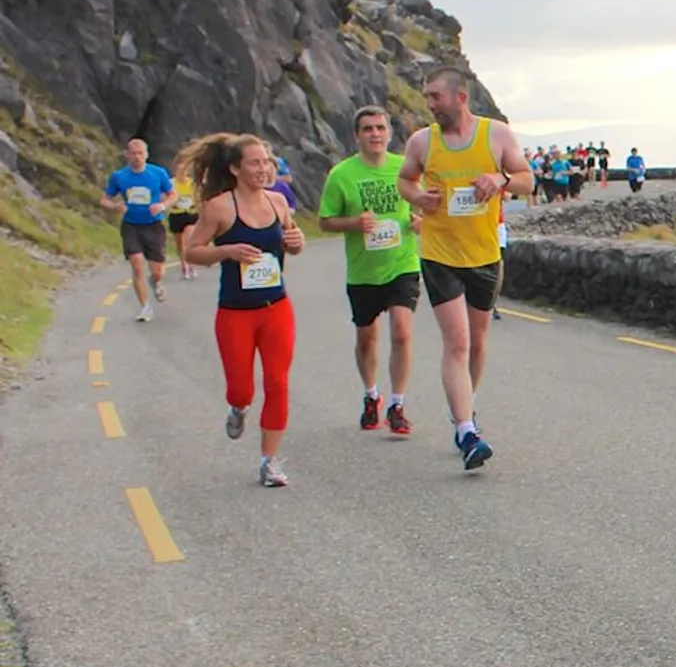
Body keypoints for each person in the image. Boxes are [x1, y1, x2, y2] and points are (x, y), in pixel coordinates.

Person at [397, 66, 533, 470]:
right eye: (427, 97)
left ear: (460, 97)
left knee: (476, 342)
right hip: (440, 253)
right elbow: (406, 181)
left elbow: (527, 180)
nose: (430, 104)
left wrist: (500, 178)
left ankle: (466, 410)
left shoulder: (497, 135)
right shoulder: (423, 141)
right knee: (456, 343)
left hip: (484, 253)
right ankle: (465, 431)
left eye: (435, 96)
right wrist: (419, 198)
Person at [177, 133, 305, 487]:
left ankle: (269, 462)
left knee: (278, 383)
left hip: (276, 307)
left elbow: (293, 242)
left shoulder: (279, 202)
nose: (264, 169)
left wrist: (296, 242)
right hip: (235, 312)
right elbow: (192, 251)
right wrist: (226, 252)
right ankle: (238, 407)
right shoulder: (219, 207)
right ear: (235, 168)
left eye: (268, 162)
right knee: (241, 388)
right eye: (255, 163)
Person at [318, 106, 420, 435]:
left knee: (402, 332)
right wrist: (353, 223)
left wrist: (420, 220)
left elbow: (423, 203)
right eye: (367, 129)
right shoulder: (341, 175)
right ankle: (371, 395)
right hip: (363, 271)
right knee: (367, 338)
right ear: (356, 136)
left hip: (402, 262)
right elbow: (324, 221)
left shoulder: (404, 168)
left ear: (390, 133)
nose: (375, 134)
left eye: (380, 128)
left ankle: (397, 404)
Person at [100, 138, 176, 322]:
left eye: (140, 153)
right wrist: (114, 207)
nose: (136, 157)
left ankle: (156, 282)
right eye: (133, 153)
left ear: (146, 155)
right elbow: (104, 199)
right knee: (136, 263)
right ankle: (145, 307)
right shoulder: (119, 177)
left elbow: (173, 194)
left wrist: (162, 206)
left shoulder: (157, 173)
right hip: (131, 225)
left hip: (154, 225)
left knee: (157, 270)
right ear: (127, 155)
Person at [167, 166, 199, 279]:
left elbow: (198, 197)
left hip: (190, 215)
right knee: (180, 243)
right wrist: (170, 202)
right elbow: (165, 197)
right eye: (179, 170)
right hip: (176, 215)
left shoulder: (192, 184)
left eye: (184, 170)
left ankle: (189, 266)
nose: (182, 173)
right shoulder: (170, 183)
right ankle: (184, 263)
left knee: (187, 240)